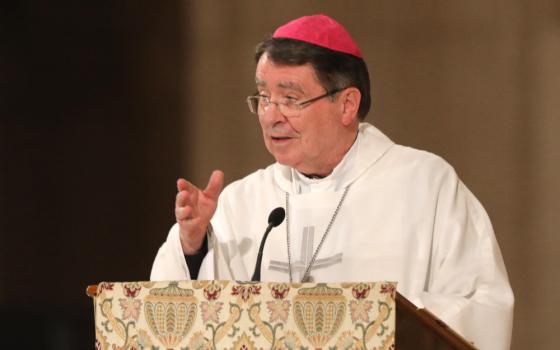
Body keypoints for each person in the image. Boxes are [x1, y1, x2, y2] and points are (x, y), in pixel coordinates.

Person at [151, 14, 513, 350]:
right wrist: (194, 247)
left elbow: (480, 306)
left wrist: (371, 320)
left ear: (347, 105)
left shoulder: (426, 186)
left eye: (290, 99)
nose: (271, 116)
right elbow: (167, 316)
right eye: (263, 98)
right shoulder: (240, 202)